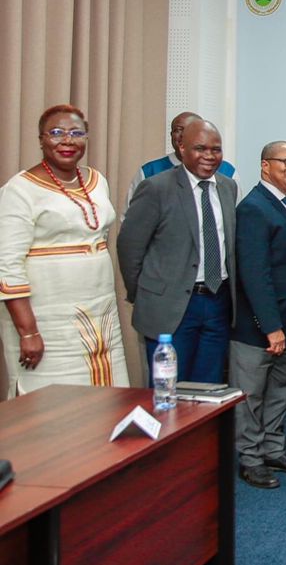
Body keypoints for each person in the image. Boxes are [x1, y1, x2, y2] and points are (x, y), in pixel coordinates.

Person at [0, 105, 128, 395]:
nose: (67, 141)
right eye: (56, 133)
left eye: (76, 133)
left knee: (107, 397)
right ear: (41, 139)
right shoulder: (19, 190)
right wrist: (28, 331)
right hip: (47, 322)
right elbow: (7, 266)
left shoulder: (97, 182)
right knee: (53, 406)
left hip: (101, 315)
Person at [118, 119, 237, 384]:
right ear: (181, 148)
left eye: (216, 149)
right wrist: (149, 294)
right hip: (172, 308)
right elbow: (130, 247)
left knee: (208, 388)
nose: (209, 156)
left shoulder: (228, 187)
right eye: (200, 148)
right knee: (169, 389)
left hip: (218, 302)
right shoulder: (156, 187)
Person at [229, 142, 286, 489]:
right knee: (250, 395)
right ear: (265, 166)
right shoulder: (254, 208)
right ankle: (250, 460)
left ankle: (273, 450)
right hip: (261, 328)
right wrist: (271, 327)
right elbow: (254, 274)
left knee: (280, 392)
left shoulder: (284, 205)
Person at [126, 111, 236, 205]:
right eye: (178, 130)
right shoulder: (149, 172)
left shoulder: (228, 173)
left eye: (191, 130)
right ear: (171, 135)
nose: (183, 135)